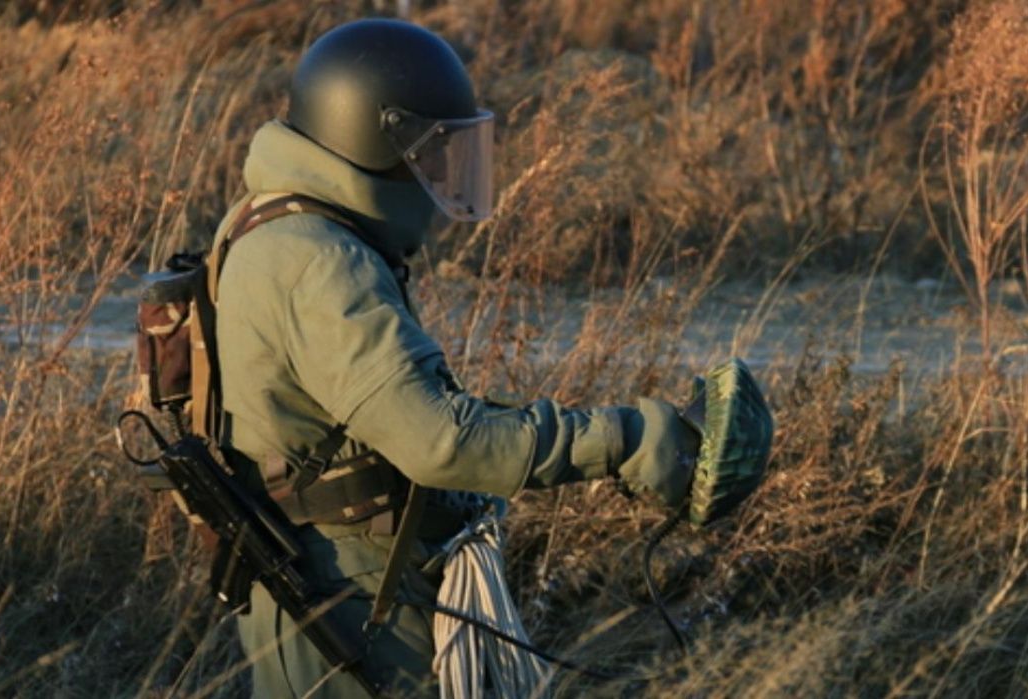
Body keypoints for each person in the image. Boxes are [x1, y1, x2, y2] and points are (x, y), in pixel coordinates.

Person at [211, 18, 702, 697]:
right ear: (373, 138)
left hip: (323, 583)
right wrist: (624, 438)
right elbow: (441, 442)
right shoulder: (320, 263)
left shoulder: (268, 221)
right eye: (430, 153)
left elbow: (394, 413)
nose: (442, 176)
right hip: (354, 605)